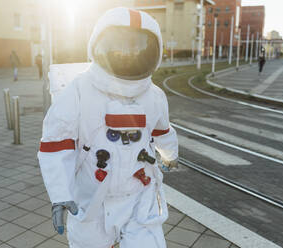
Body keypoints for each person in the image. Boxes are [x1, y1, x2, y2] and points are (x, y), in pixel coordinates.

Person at [38, 7, 178, 248]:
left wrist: (170, 155)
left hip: (139, 194)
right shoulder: (79, 91)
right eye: (121, 47)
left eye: (138, 49)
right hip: (93, 199)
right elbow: (56, 144)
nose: (130, 55)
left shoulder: (153, 96)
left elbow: (162, 131)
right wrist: (60, 194)